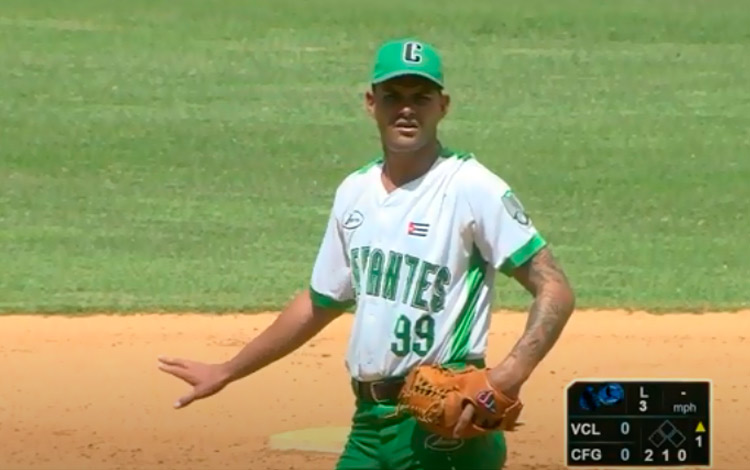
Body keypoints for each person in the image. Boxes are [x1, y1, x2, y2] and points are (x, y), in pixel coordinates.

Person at [157, 37, 576, 470]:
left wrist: (509, 373)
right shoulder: (354, 192)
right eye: (393, 96)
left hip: (440, 425)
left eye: (421, 97)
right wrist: (227, 370)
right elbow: (321, 301)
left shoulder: (471, 187)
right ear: (371, 103)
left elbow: (555, 288)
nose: (407, 109)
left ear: (443, 105)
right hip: (367, 425)